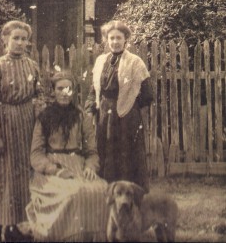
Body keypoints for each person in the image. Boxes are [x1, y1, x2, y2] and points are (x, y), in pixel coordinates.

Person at [26, 72, 108, 242]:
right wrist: (54, 170)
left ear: (74, 92)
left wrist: (90, 167)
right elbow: (36, 153)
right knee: (73, 193)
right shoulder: (44, 118)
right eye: (60, 88)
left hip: (78, 166)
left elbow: (91, 151)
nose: (65, 93)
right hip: (52, 171)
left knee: (101, 189)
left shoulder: (81, 116)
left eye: (69, 89)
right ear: (53, 92)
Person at [0, 20, 44, 242]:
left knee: (20, 177)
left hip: (26, 125)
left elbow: (40, 94)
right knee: (0, 177)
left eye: (23, 39)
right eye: (15, 38)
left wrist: (39, 112)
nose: (19, 42)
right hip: (4, 125)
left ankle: (14, 227)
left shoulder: (32, 65)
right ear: (5, 40)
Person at [85, 20, 153, 192]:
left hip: (126, 116)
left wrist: (130, 107)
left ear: (126, 39)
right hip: (104, 115)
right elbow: (94, 89)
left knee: (126, 155)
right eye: (111, 38)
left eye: (119, 38)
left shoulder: (135, 62)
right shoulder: (101, 60)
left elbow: (147, 94)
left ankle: (130, 196)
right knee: (105, 152)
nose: (115, 41)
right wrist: (90, 109)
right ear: (106, 40)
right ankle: (107, 194)